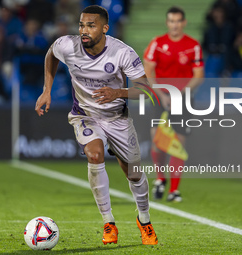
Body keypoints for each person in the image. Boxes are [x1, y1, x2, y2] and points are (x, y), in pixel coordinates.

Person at [35, 5, 158, 245]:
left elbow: (146, 91)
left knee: (133, 174)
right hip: (86, 115)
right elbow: (51, 54)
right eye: (81, 25)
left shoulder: (122, 52)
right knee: (94, 155)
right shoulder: (67, 45)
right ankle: (109, 223)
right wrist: (46, 90)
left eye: (91, 25)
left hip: (117, 118)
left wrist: (118, 92)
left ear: (104, 28)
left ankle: (144, 221)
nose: (84, 30)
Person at [143, 6, 204, 202]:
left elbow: (198, 76)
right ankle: (161, 179)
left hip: (183, 98)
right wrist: (162, 94)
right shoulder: (157, 44)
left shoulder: (193, 45)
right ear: (167, 23)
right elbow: (148, 73)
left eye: (178, 21)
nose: (175, 25)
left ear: (184, 23)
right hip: (160, 97)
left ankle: (174, 190)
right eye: (172, 21)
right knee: (158, 141)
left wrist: (181, 93)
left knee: (178, 143)